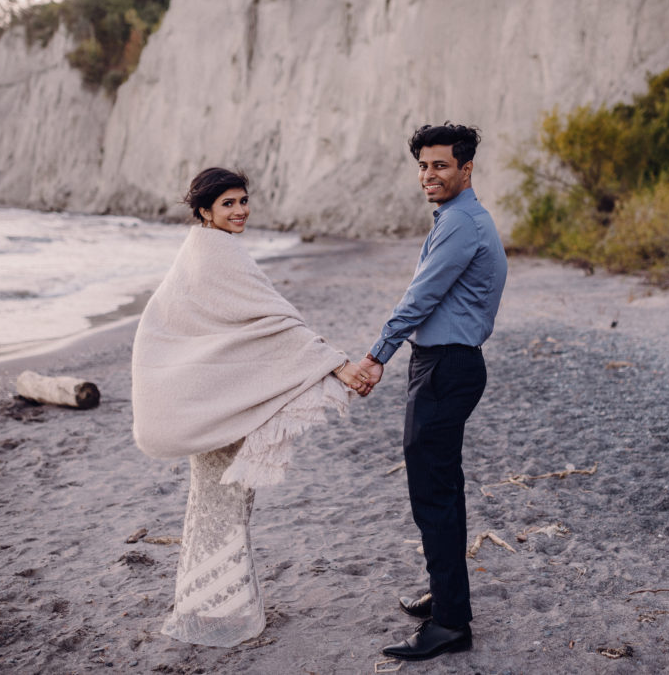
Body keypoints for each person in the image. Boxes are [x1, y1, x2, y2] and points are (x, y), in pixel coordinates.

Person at [131, 167, 371, 648]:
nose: (240, 211)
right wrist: (334, 362)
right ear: (204, 211)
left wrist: (326, 360)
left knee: (213, 507)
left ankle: (212, 605)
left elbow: (252, 324)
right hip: (223, 408)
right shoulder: (217, 253)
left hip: (216, 405)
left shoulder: (197, 251)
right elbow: (276, 323)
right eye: (228, 204)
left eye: (243, 201)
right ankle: (222, 613)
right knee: (226, 509)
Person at [359, 123, 507, 661]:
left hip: (447, 366)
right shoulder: (456, 219)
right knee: (439, 490)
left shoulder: (463, 224)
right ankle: (446, 598)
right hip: (444, 364)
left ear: (466, 169)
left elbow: (419, 298)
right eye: (423, 166)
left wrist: (376, 356)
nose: (428, 175)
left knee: (434, 494)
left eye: (440, 165)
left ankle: (449, 624)